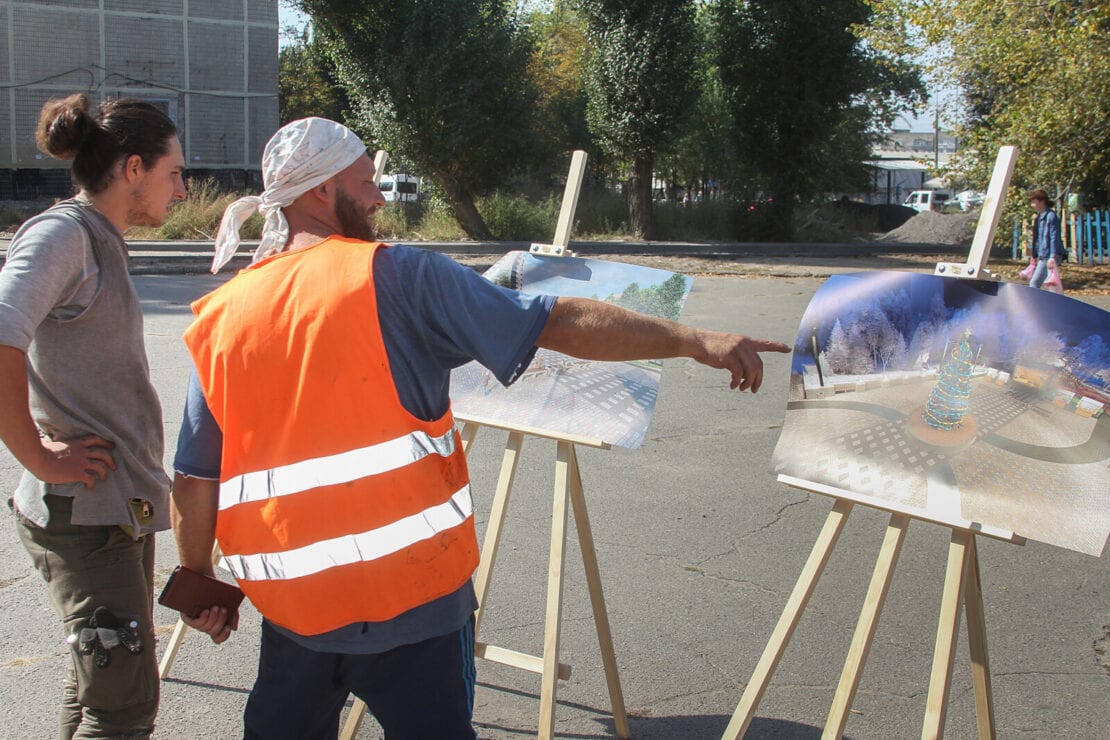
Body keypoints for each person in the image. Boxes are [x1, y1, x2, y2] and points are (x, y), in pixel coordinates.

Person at [171, 117, 791, 739]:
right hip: (415, 606)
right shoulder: (397, 275)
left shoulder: (221, 316)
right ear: (320, 192)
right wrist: (691, 339)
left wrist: (197, 578)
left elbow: (195, 478)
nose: (381, 198)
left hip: (295, 613)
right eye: (368, 183)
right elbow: (561, 322)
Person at [0, 94, 186, 737]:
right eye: (174, 174)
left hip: (114, 507)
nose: (182, 191)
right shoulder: (64, 235)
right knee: (123, 709)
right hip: (83, 517)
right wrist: (38, 455)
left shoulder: (99, 238)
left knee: (99, 692)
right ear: (133, 168)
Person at [1027, 188, 1065, 289]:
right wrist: (1034, 255)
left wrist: (1052, 256)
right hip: (1043, 255)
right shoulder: (1039, 217)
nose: (1032, 205)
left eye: (1033, 202)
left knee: (1034, 283)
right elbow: (1036, 238)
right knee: (1052, 285)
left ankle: (1034, 304)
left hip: (1049, 255)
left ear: (1042, 201)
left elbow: (1054, 237)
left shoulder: (1051, 216)